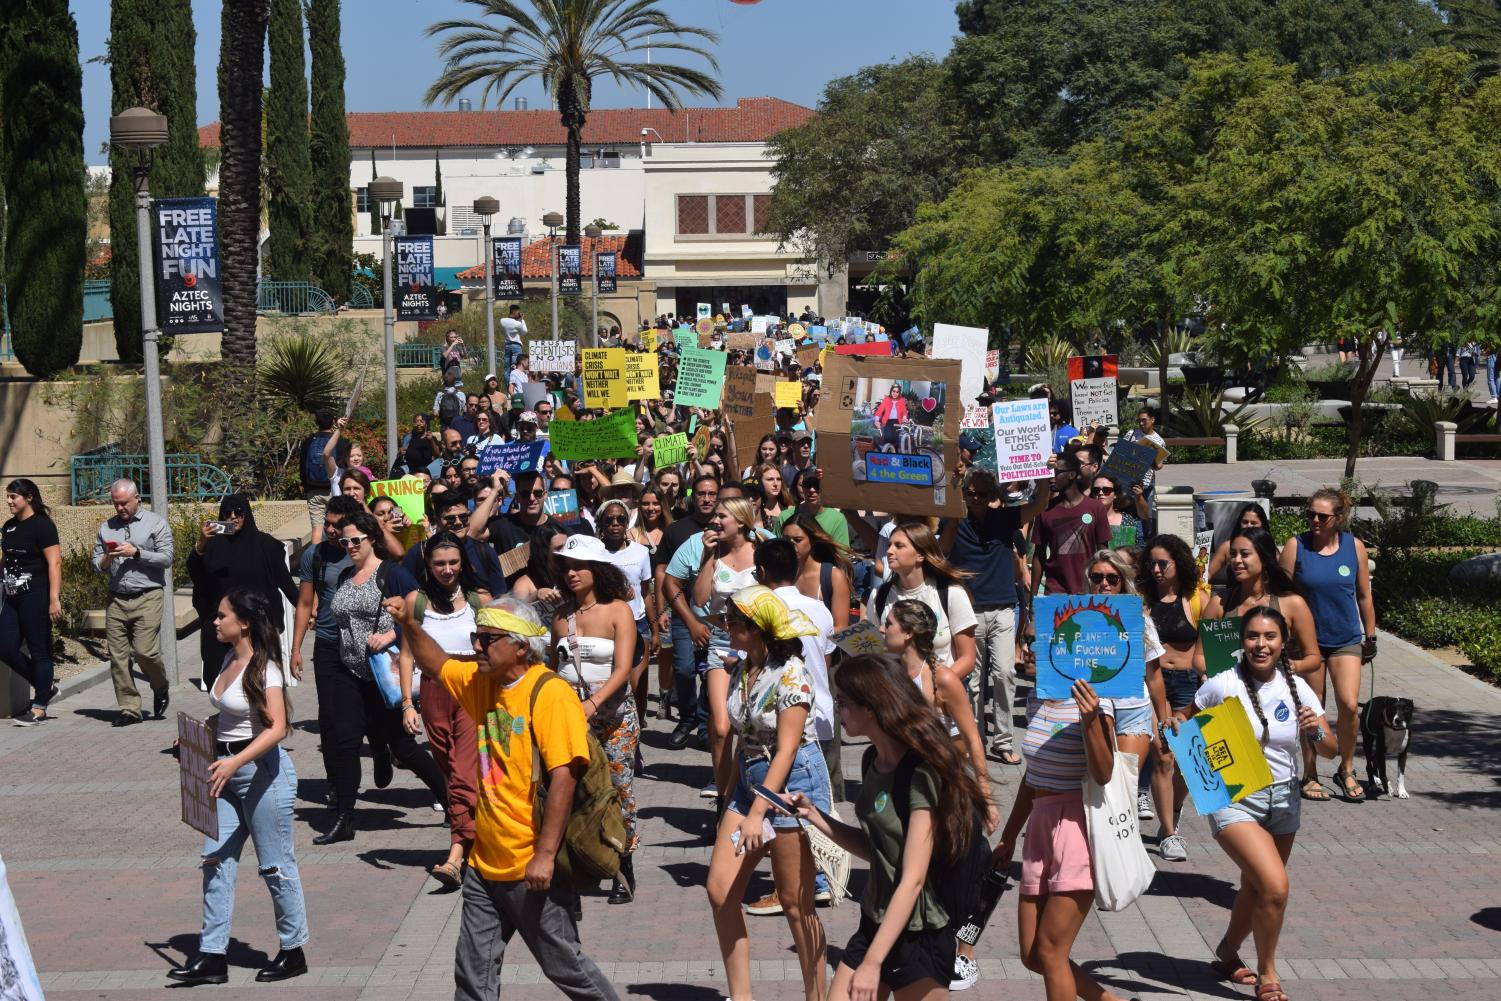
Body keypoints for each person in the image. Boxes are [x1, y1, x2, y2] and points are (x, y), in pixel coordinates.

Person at [389, 593, 621, 1001]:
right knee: (472, 974)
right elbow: (438, 664)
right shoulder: (484, 683)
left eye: (487, 638)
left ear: (519, 645)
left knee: (565, 967)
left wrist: (545, 855)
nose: (476, 645)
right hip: (484, 863)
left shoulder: (549, 693)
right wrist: (409, 623)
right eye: (477, 636)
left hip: (530, 865)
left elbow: (564, 778)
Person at [790, 653, 991, 1001]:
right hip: (876, 920)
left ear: (871, 706)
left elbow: (912, 879)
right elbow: (878, 850)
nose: (839, 711)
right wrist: (815, 816)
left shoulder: (921, 772)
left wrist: (873, 962)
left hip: (920, 932)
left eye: (844, 703)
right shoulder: (872, 761)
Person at [1164, 607, 1335, 1001]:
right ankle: (1268, 973)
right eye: (1253, 636)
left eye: (1270, 637)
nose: (1261, 644)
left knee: (1255, 887)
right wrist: (1175, 724)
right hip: (1235, 798)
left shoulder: (1297, 687)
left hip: (1285, 798)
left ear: (1282, 642)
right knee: (1275, 887)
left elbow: (1329, 750)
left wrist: (1314, 732)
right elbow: (1186, 720)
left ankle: (1226, 952)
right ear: (1242, 641)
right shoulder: (1222, 684)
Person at [167, 589, 310, 987]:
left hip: (262, 775)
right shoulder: (230, 658)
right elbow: (229, 719)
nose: (215, 621)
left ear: (244, 622)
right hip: (224, 772)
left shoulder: (266, 670)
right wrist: (197, 739)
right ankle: (212, 957)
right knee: (214, 861)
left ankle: (293, 950)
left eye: (221, 616)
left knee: (275, 866)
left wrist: (235, 760)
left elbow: (278, 728)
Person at [991, 620, 1128, 1001]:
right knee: (1033, 954)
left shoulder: (1098, 700)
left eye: (1040, 643)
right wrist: (1007, 836)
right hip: (1039, 828)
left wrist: (1090, 719)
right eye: (1029, 641)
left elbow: (1104, 772)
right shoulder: (1036, 696)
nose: (1030, 649)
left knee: (1052, 952)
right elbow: (1032, 775)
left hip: (1077, 829)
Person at [705, 586, 828, 1001]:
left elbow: (788, 749)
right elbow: (738, 734)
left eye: (734, 621)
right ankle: (741, 997)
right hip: (749, 781)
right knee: (720, 891)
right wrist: (730, 795)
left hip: (792, 786)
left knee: (796, 905)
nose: (727, 626)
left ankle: (817, 996)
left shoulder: (791, 672)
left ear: (759, 629)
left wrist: (759, 812)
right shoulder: (744, 667)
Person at [320, 510, 449, 844]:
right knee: (345, 743)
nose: (349, 545)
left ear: (372, 539)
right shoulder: (345, 575)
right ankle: (344, 818)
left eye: (356, 540)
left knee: (404, 747)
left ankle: (452, 800)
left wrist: (392, 635)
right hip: (349, 672)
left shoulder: (392, 574)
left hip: (384, 675)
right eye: (344, 540)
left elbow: (420, 611)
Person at [550, 535, 641, 905]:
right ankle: (577, 864)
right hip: (570, 717)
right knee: (570, 788)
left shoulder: (619, 610)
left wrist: (594, 703)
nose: (571, 573)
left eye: (579, 566)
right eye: (566, 567)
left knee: (619, 789)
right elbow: (552, 667)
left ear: (597, 570)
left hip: (615, 717)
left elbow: (623, 669)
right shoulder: (560, 615)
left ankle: (624, 865)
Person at [942, 467, 1052, 766]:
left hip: (1003, 609)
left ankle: (1003, 741)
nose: (974, 498)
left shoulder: (1004, 519)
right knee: (973, 682)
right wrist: (955, 498)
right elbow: (943, 549)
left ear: (993, 496)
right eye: (969, 493)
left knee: (1004, 674)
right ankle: (975, 736)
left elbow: (1039, 505)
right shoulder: (955, 520)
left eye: (980, 494)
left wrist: (1043, 471)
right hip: (967, 612)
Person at [399, 532, 488, 889]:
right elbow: (407, 654)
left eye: (453, 563)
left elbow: (494, 651)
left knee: (465, 772)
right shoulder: (415, 602)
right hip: (433, 692)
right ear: (427, 566)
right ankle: (475, 841)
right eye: (440, 564)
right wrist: (408, 703)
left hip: (471, 691)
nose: (447, 570)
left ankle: (455, 854)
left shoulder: (479, 601)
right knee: (451, 773)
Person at [1279, 488, 1376, 803]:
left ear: (1338, 518)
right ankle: (1309, 772)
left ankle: (1346, 768)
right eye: (1311, 514)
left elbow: (1364, 594)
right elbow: (1280, 594)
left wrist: (1370, 635)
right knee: (1312, 707)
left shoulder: (1354, 547)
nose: (1315, 520)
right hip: (1307, 643)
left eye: (1322, 515)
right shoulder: (1297, 546)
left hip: (1346, 637)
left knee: (1349, 704)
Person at [290, 495, 373, 811]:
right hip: (327, 643)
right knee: (330, 720)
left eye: (336, 525)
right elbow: (304, 603)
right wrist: (296, 649)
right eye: (326, 524)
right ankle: (337, 786)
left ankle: (379, 753)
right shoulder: (316, 555)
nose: (329, 530)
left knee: (367, 718)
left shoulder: (363, 553)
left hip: (364, 646)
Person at [691, 497, 762, 802]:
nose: (715, 521)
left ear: (742, 522)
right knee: (721, 728)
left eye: (722, 517)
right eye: (715, 517)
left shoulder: (761, 552)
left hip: (756, 647)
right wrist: (708, 556)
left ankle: (750, 795)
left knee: (751, 727)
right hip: (721, 643)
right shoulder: (714, 554)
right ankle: (725, 799)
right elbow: (700, 598)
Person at [186, 495, 297, 691]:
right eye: (227, 513)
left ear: (247, 515)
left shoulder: (266, 545)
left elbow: (285, 582)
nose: (233, 517)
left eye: (238, 512)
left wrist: (308, 610)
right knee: (217, 679)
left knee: (261, 680)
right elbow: (197, 575)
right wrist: (201, 544)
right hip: (220, 626)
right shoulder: (212, 546)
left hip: (255, 627)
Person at [1139, 535, 1205, 861]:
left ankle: (1174, 807)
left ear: (1178, 563)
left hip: (1189, 686)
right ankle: (1168, 833)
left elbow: (1211, 647)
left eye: (1162, 563)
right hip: (1154, 683)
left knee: (1188, 761)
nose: (1156, 569)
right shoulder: (1142, 600)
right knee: (1162, 754)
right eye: (1151, 563)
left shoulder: (1197, 599)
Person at [92, 478, 173, 725]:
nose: (119, 508)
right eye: (115, 504)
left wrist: (137, 553)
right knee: (117, 656)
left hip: (148, 596)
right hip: (117, 598)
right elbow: (97, 564)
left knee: (145, 652)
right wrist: (107, 556)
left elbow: (167, 557)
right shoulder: (106, 528)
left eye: (124, 503)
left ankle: (160, 686)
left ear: (137, 498)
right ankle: (130, 709)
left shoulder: (155, 523)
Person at [867, 522, 978, 682]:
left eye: (899, 546)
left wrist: (933, 688)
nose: (889, 551)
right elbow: (871, 651)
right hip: (894, 697)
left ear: (920, 555)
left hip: (939, 697)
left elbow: (967, 659)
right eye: (889, 545)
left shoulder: (951, 593)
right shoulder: (879, 596)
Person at [656, 473, 720, 749]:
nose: (706, 499)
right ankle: (688, 716)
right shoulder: (678, 531)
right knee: (683, 669)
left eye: (712, 494)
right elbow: (664, 574)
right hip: (684, 615)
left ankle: (706, 722)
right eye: (701, 493)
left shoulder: (729, 529)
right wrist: (664, 611)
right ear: (693, 496)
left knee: (711, 672)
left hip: (718, 618)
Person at [1, 479, 61, 727]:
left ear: (29, 497)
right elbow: (5, 560)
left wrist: (54, 598)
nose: (9, 501)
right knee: (4, 648)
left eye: (13, 496)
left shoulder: (42, 525)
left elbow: (54, 563)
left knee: (39, 651)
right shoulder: (9, 526)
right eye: (7, 496)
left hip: (35, 596)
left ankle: (39, 708)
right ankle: (45, 686)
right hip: (12, 598)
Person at [595, 499, 654, 739]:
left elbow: (646, 591)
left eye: (621, 519)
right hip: (607, 624)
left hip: (638, 622)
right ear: (601, 523)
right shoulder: (595, 554)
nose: (616, 524)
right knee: (614, 682)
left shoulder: (641, 552)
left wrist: (655, 628)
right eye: (609, 520)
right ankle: (613, 732)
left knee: (637, 683)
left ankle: (635, 735)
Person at [1031, 451, 1111, 594]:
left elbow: (1103, 552)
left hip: (1087, 590)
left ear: (1071, 475)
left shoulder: (1096, 508)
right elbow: (1039, 555)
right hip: (1055, 591)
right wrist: (1032, 597)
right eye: (1049, 472)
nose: (1051, 478)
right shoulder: (1045, 510)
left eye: (1056, 472)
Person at [781, 507, 853, 630]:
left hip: (824, 648)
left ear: (813, 541)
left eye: (798, 540)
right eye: (786, 540)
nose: (791, 545)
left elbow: (840, 627)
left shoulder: (833, 576)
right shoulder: (781, 573)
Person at [1206, 502, 1271, 581]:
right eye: (1245, 522)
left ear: (1262, 525)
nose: (1249, 526)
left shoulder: (1268, 548)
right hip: (1235, 592)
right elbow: (1208, 573)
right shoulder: (1227, 547)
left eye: (1253, 523)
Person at [873, 383, 909, 451]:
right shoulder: (886, 399)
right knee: (888, 439)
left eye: (897, 392)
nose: (895, 393)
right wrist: (876, 421)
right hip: (887, 422)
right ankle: (886, 455)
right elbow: (879, 411)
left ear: (899, 393)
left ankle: (894, 456)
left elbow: (904, 411)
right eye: (894, 391)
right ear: (891, 391)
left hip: (897, 422)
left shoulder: (902, 400)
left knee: (895, 440)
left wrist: (904, 417)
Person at [500, 303, 527, 372]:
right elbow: (524, 332)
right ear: (514, 312)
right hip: (516, 346)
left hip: (507, 345)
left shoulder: (502, 321)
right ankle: (514, 382)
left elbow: (507, 323)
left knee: (507, 367)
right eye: (518, 312)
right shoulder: (517, 323)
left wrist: (516, 319)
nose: (519, 313)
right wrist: (521, 320)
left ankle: (508, 382)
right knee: (516, 366)